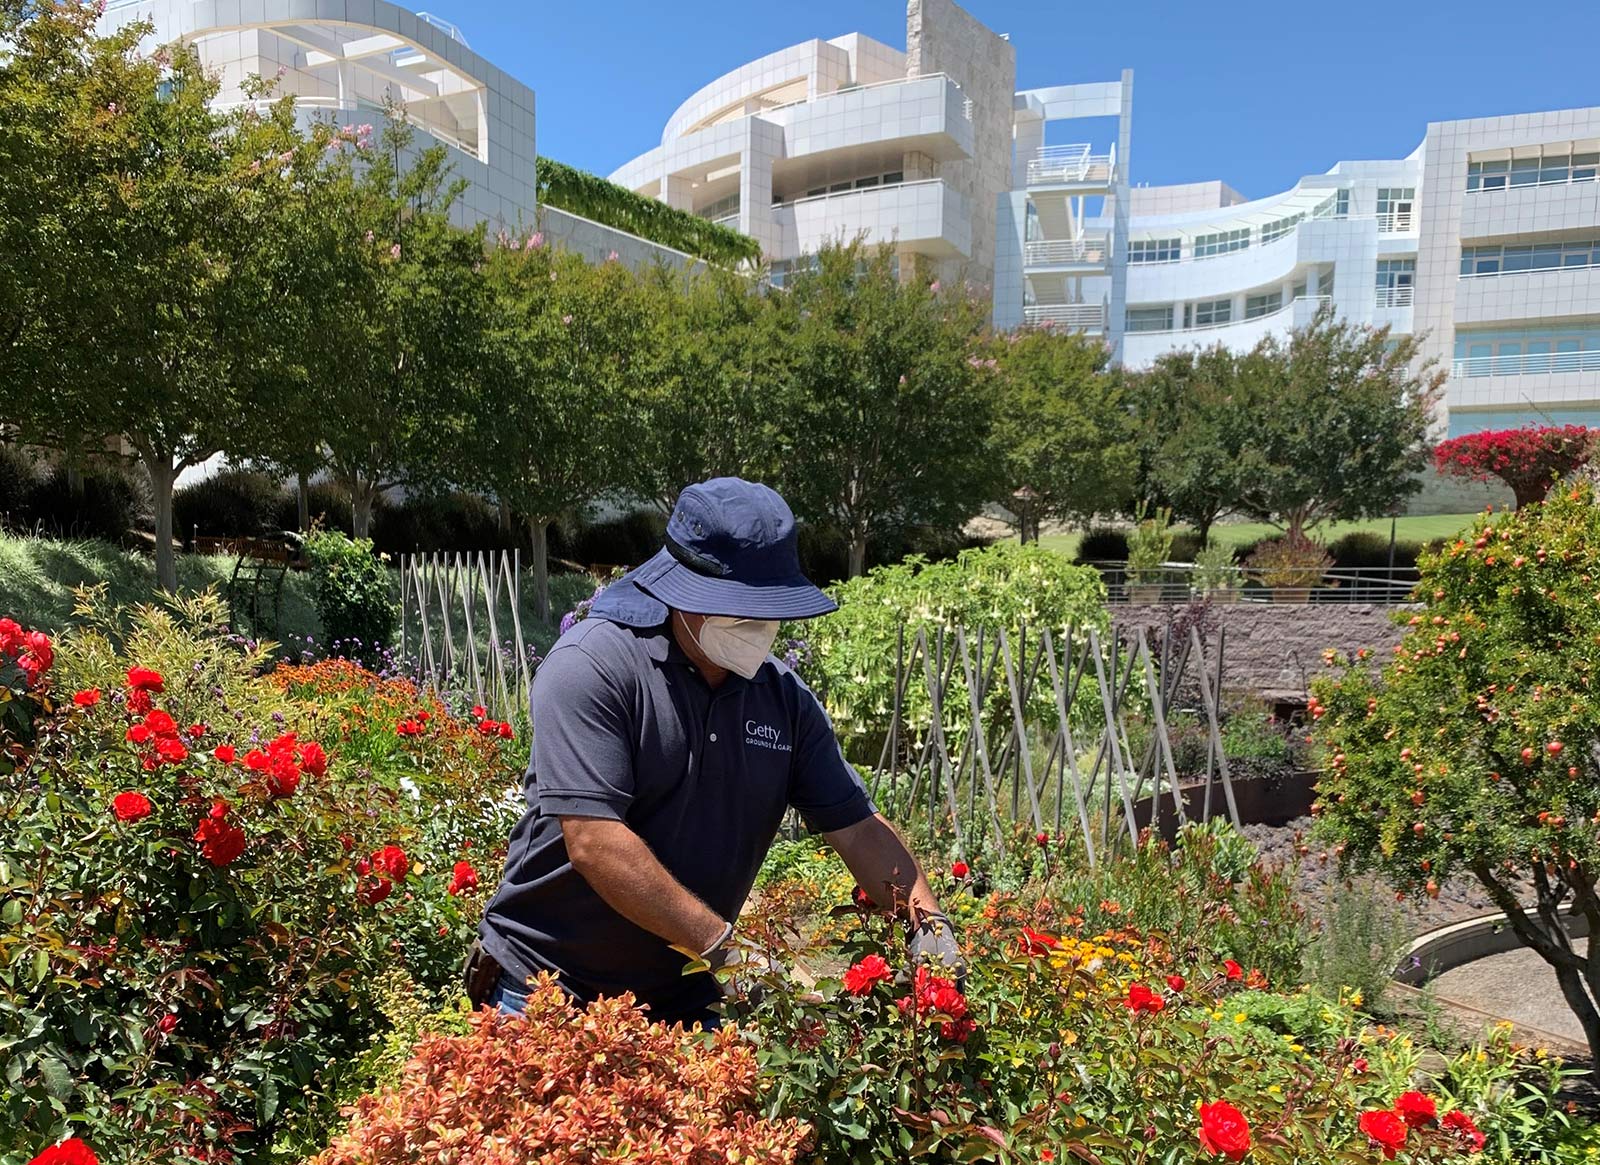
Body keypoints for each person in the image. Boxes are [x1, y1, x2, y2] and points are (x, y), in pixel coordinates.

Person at [469, 477, 961, 1026]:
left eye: (769, 611)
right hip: (549, 988)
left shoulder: (782, 700)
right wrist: (729, 952)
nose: (761, 627)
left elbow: (857, 827)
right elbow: (595, 842)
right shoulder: (594, 667)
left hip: (681, 996)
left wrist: (930, 928)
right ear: (682, 592)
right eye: (741, 610)